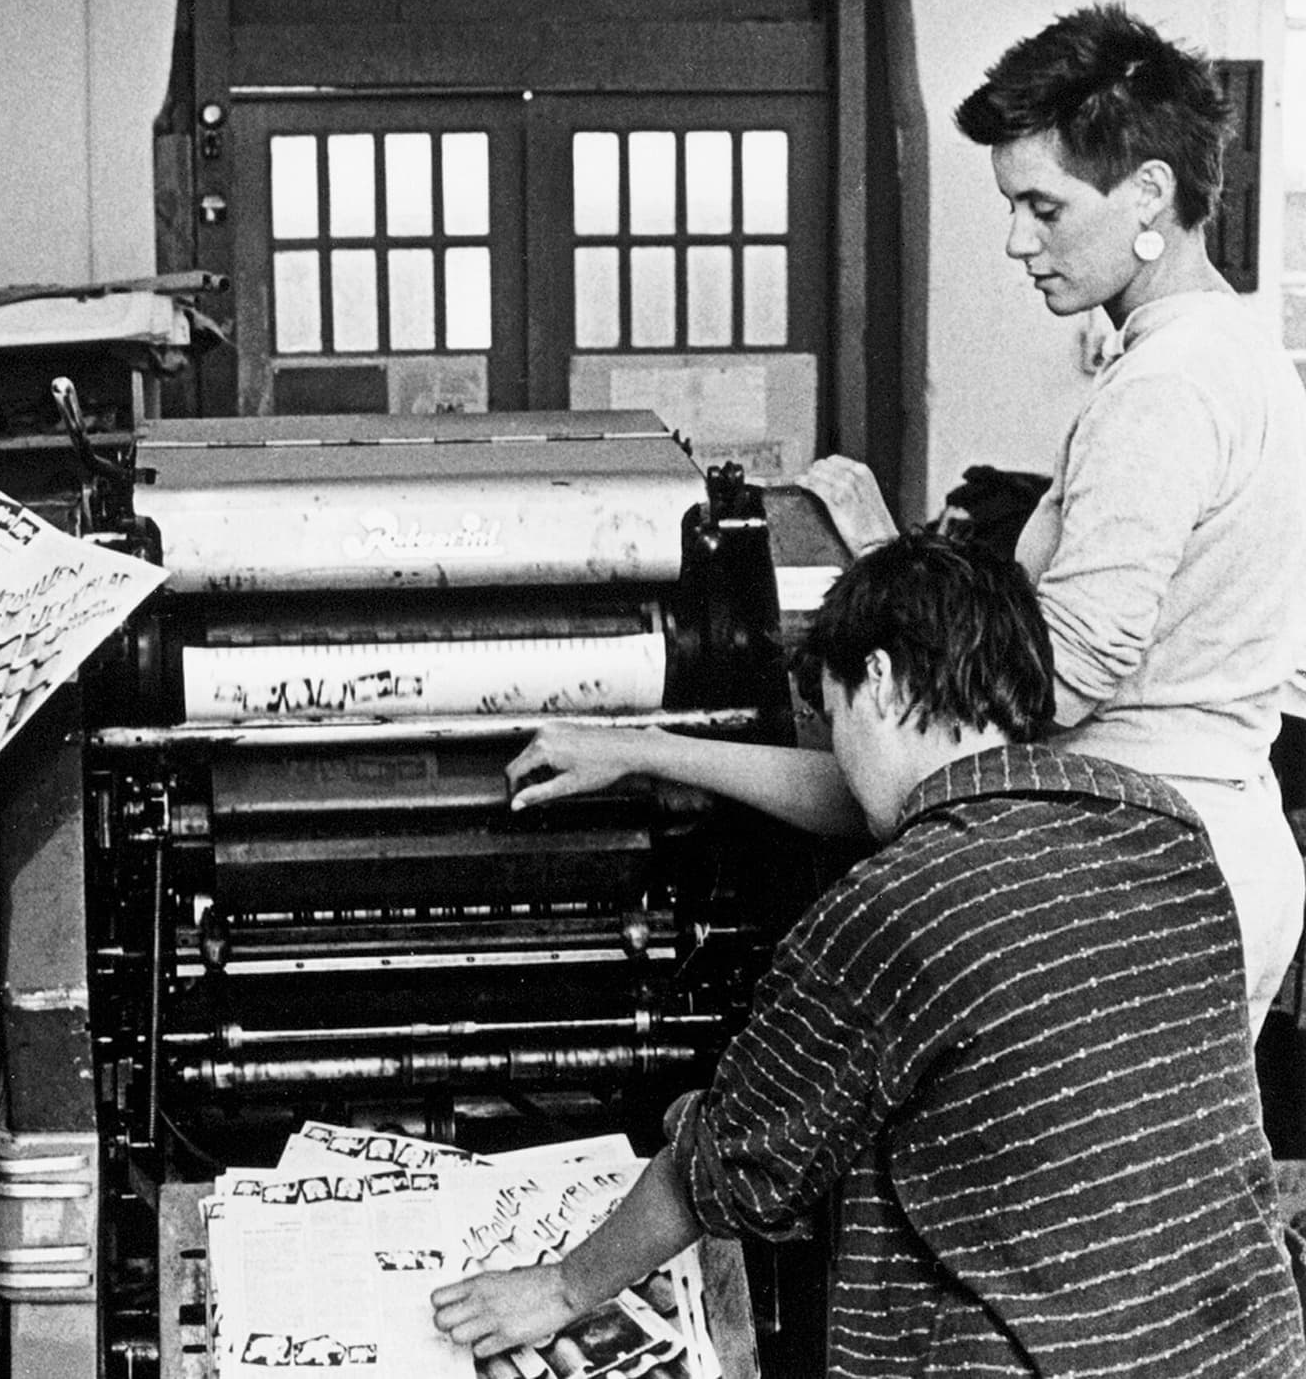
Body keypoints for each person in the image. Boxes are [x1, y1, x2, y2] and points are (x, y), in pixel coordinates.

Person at [516, 3, 1306, 1028]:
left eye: (1046, 207)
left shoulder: (1162, 388)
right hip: (1215, 859)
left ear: (1150, 189)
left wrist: (889, 578)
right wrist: (653, 747)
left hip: (1127, 888)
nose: (1019, 241)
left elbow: (1027, 699)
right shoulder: (1246, 356)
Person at [435, 533, 1306, 1375]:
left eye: (829, 712)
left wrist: (559, 1286)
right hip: (1245, 1342)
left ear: (880, 680)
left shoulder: (901, 900)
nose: (836, 754)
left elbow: (731, 1170)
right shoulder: (1161, 826)